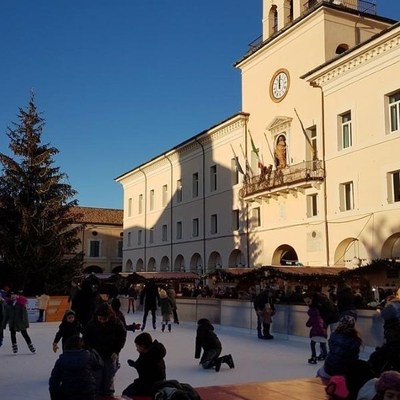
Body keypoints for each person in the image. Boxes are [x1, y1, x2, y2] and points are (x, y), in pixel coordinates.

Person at [83, 302, 127, 397]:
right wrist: (89, 350)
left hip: (110, 354)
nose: (102, 321)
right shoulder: (92, 324)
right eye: (100, 319)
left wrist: (116, 351)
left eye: (105, 319)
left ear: (109, 316)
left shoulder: (116, 322)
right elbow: (85, 339)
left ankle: (108, 394)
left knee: (109, 376)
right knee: (96, 377)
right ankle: (96, 395)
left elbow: (122, 336)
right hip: (96, 355)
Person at [49, 335, 103, 400]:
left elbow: (54, 381)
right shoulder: (88, 356)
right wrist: (91, 350)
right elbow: (100, 364)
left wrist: (55, 396)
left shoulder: (61, 360)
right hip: (87, 391)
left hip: (68, 391)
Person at [122, 332, 166, 398]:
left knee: (126, 393)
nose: (136, 349)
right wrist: (135, 364)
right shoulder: (154, 352)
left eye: (137, 346)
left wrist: (136, 383)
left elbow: (145, 380)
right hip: (158, 384)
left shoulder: (148, 359)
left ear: (142, 346)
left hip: (152, 387)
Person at [317, 315, 362, 379]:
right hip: (343, 371)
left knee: (319, 373)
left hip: (328, 368)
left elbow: (332, 350)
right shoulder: (355, 340)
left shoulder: (333, 335)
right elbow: (354, 358)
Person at [304, 293, 328, 364]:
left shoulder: (312, 316)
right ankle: (325, 356)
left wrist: (308, 324)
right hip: (323, 333)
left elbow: (308, 324)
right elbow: (325, 324)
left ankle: (313, 356)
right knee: (323, 344)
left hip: (315, 333)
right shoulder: (322, 316)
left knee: (312, 344)